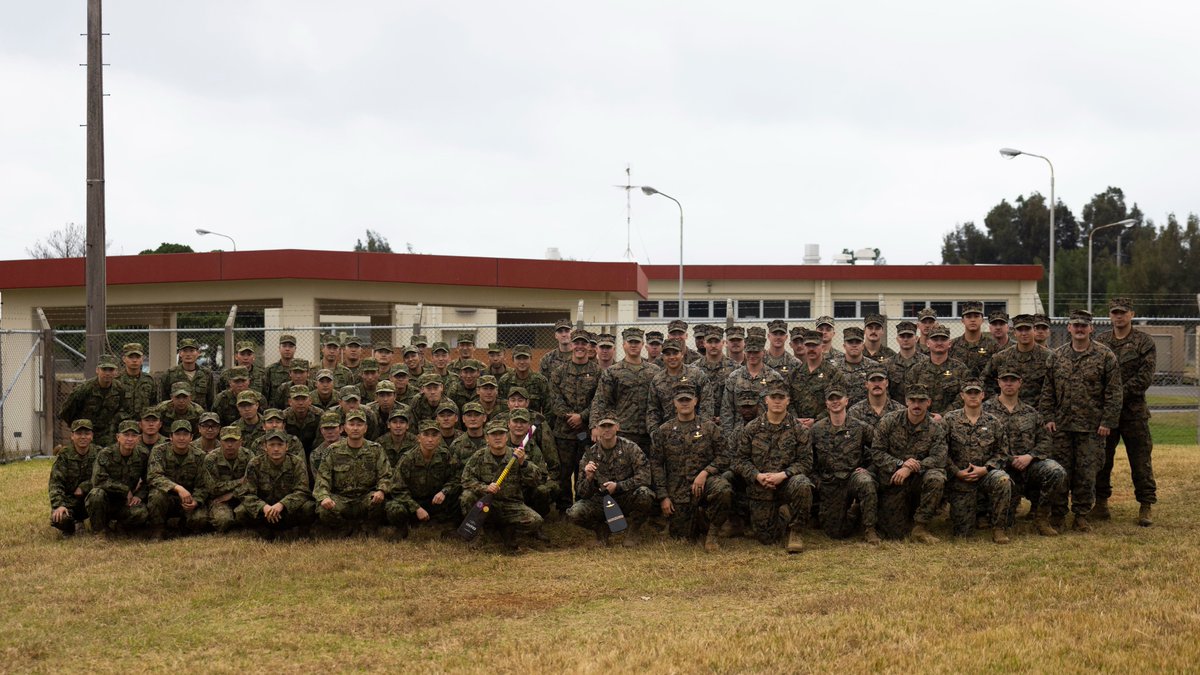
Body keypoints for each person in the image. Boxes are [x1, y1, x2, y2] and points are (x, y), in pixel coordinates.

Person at [1039, 309, 1123, 533]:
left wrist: (1107, 421)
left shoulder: (1105, 356)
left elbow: (1114, 393)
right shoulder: (1056, 356)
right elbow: (1048, 392)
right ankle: (1058, 514)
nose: (1079, 329)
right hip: (1062, 427)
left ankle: (1081, 515)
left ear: (1091, 328)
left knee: (1087, 473)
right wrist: (1048, 418)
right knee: (1060, 472)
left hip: (1092, 428)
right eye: (1075, 325)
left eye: (1083, 325)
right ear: (1068, 328)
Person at [1094, 297, 1157, 526]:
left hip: (1134, 413)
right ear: (1110, 315)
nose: (1118, 316)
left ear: (1131, 314)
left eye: (1122, 312)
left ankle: (1146, 505)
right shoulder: (1100, 342)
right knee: (1102, 460)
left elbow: (1144, 378)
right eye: (1114, 312)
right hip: (1106, 416)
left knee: (1140, 460)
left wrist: (1115, 394)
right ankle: (1100, 503)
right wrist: (1108, 400)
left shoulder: (1144, 342)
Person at [649, 383, 732, 552]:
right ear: (674, 403)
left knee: (724, 490)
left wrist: (705, 472)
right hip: (678, 490)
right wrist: (663, 497)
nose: (684, 403)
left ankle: (712, 534)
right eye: (681, 400)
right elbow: (656, 465)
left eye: (688, 400)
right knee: (682, 536)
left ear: (695, 401)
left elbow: (725, 456)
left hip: (705, 484)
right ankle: (701, 519)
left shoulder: (710, 428)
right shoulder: (663, 431)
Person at [733, 382, 814, 553]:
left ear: (788, 401)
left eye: (781, 398)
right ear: (766, 401)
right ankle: (784, 514)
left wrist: (783, 475)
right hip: (761, 485)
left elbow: (806, 462)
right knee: (766, 538)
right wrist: (757, 476)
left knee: (803, 484)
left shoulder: (799, 430)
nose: (777, 401)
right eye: (773, 397)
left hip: (787, 482)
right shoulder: (752, 428)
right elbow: (740, 460)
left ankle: (796, 531)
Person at [984, 369, 1065, 536]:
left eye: (1013, 380)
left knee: (1056, 471)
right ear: (998, 382)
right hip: (1000, 469)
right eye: (1004, 380)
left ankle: (1041, 518)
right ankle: (997, 521)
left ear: (1020, 383)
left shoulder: (1031, 412)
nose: (1008, 383)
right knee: (1007, 522)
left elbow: (1045, 441)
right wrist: (1007, 459)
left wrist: (1030, 456)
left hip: (1028, 467)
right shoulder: (985, 410)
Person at [870, 384, 947, 543]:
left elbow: (939, 457)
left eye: (921, 401)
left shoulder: (936, 428)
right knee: (895, 534)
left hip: (919, 479)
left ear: (929, 402)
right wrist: (900, 464)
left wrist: (911, 468)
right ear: (906, 401)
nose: (917, 405)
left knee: (937, 477)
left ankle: (921, 527)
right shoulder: (889, 421)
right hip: (894, 480)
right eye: (913, 400)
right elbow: (877, 452)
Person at [567, 414, 654, 547]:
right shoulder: (589, 455)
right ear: (597, 429)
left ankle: (633, 531)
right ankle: (602, 530)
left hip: (625, 497)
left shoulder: (630, 448)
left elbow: (645, 477)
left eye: (610, 426)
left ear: (617, 427)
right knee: (574, 513)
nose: (606, 429)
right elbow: (582, 493)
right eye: (603, 426)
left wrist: (618, 486)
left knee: (645, 494)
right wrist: (589, 478)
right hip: (601, 501)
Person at [942, 380, 1013, 544]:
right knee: (963, 534)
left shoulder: (993, 422)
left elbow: (1003, 453)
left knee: (1003, 480)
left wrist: (986, 468)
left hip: (986, 474)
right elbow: (941, 451)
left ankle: (999, 528)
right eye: (969, 393)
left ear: (983, 395)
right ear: (962, 396)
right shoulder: (950, 420)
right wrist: (956, 472)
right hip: (960, 478)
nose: (973, 396)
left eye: (976, 393)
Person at [461, 420, 549, 551]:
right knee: (466, 497)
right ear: (487, 438)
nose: (497, 437)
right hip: (487, 506)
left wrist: (523, 463)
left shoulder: (517, 455)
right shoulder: (479, 456)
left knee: (535, 521)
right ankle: (479, 535)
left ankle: (508, 530)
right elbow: (466, 480)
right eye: (493, 434)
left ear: (506, 437)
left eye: (501, 434)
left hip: (512, 505)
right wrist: (485, 488)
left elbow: (537, 480)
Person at [811, 389, 880, 544]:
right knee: (835, 533)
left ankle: (870, 529)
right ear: (826, 403)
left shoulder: (860, 427)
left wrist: (870, 470)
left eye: (839, 398)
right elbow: (809, 459)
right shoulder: (817, 429)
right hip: (830, 482)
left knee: (866, 482)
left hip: (852, 477)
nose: (835, 401)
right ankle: (854, 511)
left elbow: (879, 449)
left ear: (846, 401)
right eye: (831, 399)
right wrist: (818, 482)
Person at [313, 409, 393, 536]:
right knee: (323, 509)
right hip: (341, 498)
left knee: (380, 502)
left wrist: (381, 491)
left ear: (365, 428)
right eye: (351, 424)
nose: (355, 428)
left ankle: (368, 527)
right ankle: (344, 528)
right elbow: (322, 478)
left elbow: (386, 475)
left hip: (365, 497)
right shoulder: (333, 450)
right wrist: (324, 497)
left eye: (359, 424)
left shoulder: (375, 449)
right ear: (344, 428)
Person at [549, 330, 601, 514]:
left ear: (589, 346)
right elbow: (555, 400)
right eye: (576, 343)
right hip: (564, 431)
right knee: (564, 472)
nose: (580, 346)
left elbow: (598, 399)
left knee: (583, 469)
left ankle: (581, 504)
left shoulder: (597, 371)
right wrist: (570, 416)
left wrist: (583, 416)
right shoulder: (559, 372)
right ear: (571, 345)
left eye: (584, 343)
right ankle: (563, 508)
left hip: (586, 431)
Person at [386, 419, 462, 537]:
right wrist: (416, 508)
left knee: (461, 498)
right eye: (426, 435)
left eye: (434, 435)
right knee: (394, 508)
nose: (430, 439)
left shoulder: (445, 456)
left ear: (440, 438)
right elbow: (397, 489)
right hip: (414, 501)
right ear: (418, 438)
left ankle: (450, 526)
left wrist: (444, 492)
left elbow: (456, 479)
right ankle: (402, 528)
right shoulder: (408, 459)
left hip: (435, 501)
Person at [236, 429, 316, 539]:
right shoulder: (255, 464)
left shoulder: (296, 462)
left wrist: (282, 504)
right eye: (272, 445)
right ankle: (263, 533)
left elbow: (303, 491)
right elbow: (246, 493)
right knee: (241, 511)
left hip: (288, 510)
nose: (276, 449)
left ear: (287, 446)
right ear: (265, 447)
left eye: (280, 444)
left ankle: (298, 533)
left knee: (309, 508)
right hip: (265, 512)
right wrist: (263, 507)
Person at [590, 327, 660, 453]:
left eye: (637, 342)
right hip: (623, 431)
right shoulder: (612, 372)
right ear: (623, 345)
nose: (633, 345)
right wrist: (595, 426)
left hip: (648, 432)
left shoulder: (654, 371)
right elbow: (601, 400)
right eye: (630, 342)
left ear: (643, 345)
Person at [86, 420, 150, 536]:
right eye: (126, 435)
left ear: (139, 438)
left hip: (127, 503)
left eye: (134, 435)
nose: (129, 439)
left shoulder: (143, 455)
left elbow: (148, 480)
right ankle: (99, 531)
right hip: (107, 500)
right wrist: (125, 490)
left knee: (142, 513)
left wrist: (138, 495)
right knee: (96, 494)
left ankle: (120, 526)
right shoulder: (106, 454)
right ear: (118, 437)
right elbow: (98, 480)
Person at [146, 420, 209, 539]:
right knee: (156, 496)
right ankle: (158, 529)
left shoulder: (200, 456)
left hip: (188, 499)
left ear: (191, 437)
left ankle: (183, 526)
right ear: (170, 437)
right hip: (167, 497)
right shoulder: (159, 451)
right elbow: (154, 476)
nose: (181, 438)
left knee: (201, 519)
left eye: (185, 435)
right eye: (177, 434)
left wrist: (196, 500)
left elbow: (203, 485)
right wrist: (178, 488)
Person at [720, 335, 785, 439]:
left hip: (766, 434)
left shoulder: (774, 377)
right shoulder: (734, 377)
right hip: (740, 433)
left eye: (756, 352)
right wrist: (728, 437)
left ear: (763, 352)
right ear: (745, 352)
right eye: (749, 352)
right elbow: (727, 409)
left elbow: (780, 408)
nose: (752, 355)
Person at [981, 314, 1052, 405]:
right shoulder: (1002, 357)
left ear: (1034, 330)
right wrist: (996, 402)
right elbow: (984, 381)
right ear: (1014, 332)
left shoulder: (1048, 357)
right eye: (1020, 330)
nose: (1024, 333)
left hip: (1037, 411)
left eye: (1027, 329)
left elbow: (1055, 387)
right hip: (1006, 411)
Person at [903, 323, 969, 418]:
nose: (939, 343)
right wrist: (926, 416)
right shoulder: (917, 370)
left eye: (943, 339)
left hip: (952, 420)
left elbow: (964, 396)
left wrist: (944, 415)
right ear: (928, 343)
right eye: (935, 339)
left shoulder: (960, 369)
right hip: (922, 420)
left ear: (949, 343)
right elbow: (909, 396)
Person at [646, 338, 711, 432]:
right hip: (668, 433)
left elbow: (706, 405)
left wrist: (703, 429)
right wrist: (655, 433)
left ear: (682, 354)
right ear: (663, 357)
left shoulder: (696, 375)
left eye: (675, 353)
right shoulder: (657, 380)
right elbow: (653, 409)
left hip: (695, 431)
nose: (672, 357)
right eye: (668, 354)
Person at [48, 419, 100, 538]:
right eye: (79, 433)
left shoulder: (100, 453)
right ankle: (71, 527)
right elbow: (55, 484)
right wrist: (59, 505)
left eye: (86, 433)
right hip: (69, 502)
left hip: (91, 500)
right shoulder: (64, 456)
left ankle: (99, 528)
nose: (83, 437)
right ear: (72, 436)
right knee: (59, 519)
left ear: (92, 436)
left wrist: (84, 487)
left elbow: (103, 479)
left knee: (100, 497)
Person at [60, 353, 124, 447]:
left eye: (111, 370)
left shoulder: (119, 389)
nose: (107, 373)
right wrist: (78, 427)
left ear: (115, 372)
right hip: (85, 434)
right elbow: (65, 411)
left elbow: (120, 409)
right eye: (104, 369)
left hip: (107, 435)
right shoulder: (84, 389)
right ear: (97, 370)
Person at [199, 426, 253, 533]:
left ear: (241, 442)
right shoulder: (211, 458)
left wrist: (233, 494)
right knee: (223, 520)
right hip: (219, 499)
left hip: (243, 496)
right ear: (220, 442)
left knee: (250, 513)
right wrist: (239, 482)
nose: (229, 445)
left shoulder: (249, 456)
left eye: (233, 441)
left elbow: (252, 483)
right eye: (226, 441)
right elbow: (213, 488)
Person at [790, 330, 845, 428]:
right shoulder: (795, 373)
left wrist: (816, 421)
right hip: (797, 426)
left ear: (822, 347)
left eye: (815, 345)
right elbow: (788, 399)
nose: (811, 349)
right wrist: (795, 419)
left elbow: (838, 402)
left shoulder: (833, 373)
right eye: (808, 345)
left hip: (824, 426)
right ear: (804, 347)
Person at [158, 338, 215, 410]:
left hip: (199, 417)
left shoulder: (206, 374)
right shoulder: (170, 374)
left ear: (198, 353)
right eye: (185, 351)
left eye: (191, 351)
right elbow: (163, 400)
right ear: (180, 353)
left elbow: (211, 400)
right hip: (176, 418)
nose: (188, 354)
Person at [949, 301, 998, 378]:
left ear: (982, 320)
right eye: (968, 317)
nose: (972, 320)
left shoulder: (993, 345)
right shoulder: (952, 345)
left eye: (976, 316)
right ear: (962, 321)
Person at [115, 343, 158, 429]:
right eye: (131, 357)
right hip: (121, 426)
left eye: (137, 357)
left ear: (142, 359)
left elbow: (154, 404)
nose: (134, 360)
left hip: (144, 426)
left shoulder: (150, 380)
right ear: (124, 359)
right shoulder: (116, 381)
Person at [498, 344, 549, 413]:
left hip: (533, 422)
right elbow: (501, 407)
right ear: (513, 359)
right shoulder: (505, 381)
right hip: (510, 421)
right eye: (518, 358)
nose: (522, 362)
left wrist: (538, 424)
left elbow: (548, 409)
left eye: (525, 358)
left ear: (530, 359)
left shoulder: (540, 381)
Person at [884, 321, 927, 402]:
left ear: (916, 338)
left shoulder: (926, 362)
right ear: (897, 339)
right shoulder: (887, 364)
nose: (906, 339)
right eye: (902, 336)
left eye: (909, 336)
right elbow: (885, 392)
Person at [835, 327, 872, 407]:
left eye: (858, 342)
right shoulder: (834, 367)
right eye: (850, 342)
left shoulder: (873, 366)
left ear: (863, 346)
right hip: (840, 412)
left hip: (865, 414)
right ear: (844, 346)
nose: (854, 345)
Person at [283, 384, 321, 453]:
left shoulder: (319, 414)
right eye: (296, 399)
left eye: (304, 399)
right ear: (290, 402)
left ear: (310, 400)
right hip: (291, 452)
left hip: (315, 451)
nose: (300, 403)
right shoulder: (284, 417)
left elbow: (320, 439)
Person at [264, 334, 300, 398]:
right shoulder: (270, 370)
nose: (287, 349)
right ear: (279, 348)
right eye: (284, 346)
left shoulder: (301, 370)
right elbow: (265, 394)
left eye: (291, 346)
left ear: (295, 349)